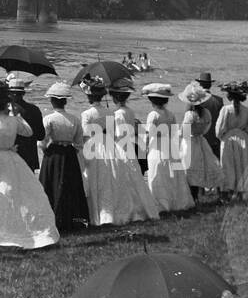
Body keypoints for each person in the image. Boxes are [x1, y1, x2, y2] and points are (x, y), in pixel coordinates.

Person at [0, 86, 60, 250]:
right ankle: (19, 233)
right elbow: (29, 132)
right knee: (19, 196)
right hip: (14, 159)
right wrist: (17, 115)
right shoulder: (13, 120)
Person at [106, 83, 162, 223]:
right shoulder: (129, 111)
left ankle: (128, 207)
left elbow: (118, 134)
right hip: (130, 145)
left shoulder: (118, 113)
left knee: (123, 176)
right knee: (134, 175)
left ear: (114, 98)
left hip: (121, 146)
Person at [39, 82, 89, 231]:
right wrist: (74, 151)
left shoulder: (49, 119)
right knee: (71, 186)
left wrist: (44, 150)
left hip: (54, 154)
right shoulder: (74, 119)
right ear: (65, 101)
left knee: (51, 184)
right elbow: (79, 143)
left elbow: (42, 140)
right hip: (69, 154)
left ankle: (53, 218)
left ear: (52, 101)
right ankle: (73, 219)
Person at [142, 84, 193, 212]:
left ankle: (160, 204)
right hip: (169, 146)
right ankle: (176, 201)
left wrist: (144, 148)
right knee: (172, 174)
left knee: (157, 173)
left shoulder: (152, 115)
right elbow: (173, 132)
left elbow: (149, 133)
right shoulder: (170, 114)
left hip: (157, 147)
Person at [78, 78, 117, 225]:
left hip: (92, 146)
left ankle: (94, 212)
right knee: (107, 177)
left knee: (93, 178)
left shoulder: (87, 114)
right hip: (107, 145)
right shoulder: (110, 112)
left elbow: (85, 135)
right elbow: (112, 133)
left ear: (89, 96)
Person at [179, 85, 221, 202]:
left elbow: (184, 132)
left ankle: (192, 197)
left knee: (188, 168)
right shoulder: (206, 113)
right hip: (201, 140)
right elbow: (207, 128)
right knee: (200, 167)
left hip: (190, 143)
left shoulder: (189, 115)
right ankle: (198, 195)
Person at [215, 81, 248, 204]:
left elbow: (219, 129)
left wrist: (222, 137)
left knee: (228, 166)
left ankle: (227, 192)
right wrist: (246, 138)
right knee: (242, 165)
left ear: (229, 96)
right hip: (243, 139)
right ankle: (241, 192)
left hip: (229, 138)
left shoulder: (225, 109)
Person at [5, 71, 45, 174]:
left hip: (10, 156)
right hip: (29, 157)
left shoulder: (5, 110)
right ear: (23, 93)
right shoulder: (34, 110)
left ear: (9, 93)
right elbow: (41, 136)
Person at [194, 72, 224, 157]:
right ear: (210, 85)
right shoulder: (219, 100)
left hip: (199, 139)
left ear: (199, 84)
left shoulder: (195, 99)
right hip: (214, 140)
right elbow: (221, 122)